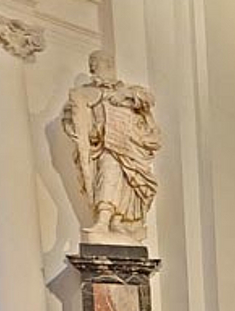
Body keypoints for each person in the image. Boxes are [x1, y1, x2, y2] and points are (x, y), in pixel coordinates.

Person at [61, 51, 161, 242]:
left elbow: (147, 98)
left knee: (128, 182)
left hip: (130, 146)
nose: (108, 65)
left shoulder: (126, 90)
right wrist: (83, 129)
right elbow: (74, 120)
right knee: (109, 174)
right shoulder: (85, 93)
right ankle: (103, 220)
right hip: (106, 145)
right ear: (93, 67)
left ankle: (117, 221)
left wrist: (125, 94)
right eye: (103, 62)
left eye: (111, 62)